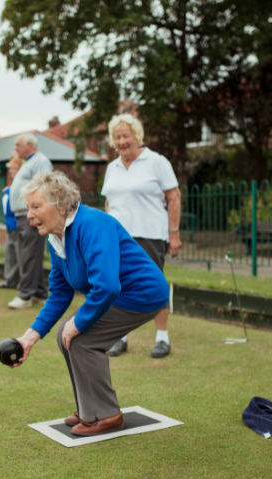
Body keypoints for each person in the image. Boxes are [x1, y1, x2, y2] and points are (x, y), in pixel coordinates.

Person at [11, 171, 169, 436]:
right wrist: (29, 338)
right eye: (28, 208)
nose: (29, 215)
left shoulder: (92, 223)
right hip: (119, 294)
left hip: (143, 294)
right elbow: (60, 294)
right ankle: (88, 408)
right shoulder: (57, 237)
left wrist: (80, 323)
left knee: (81, 338)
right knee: (65, 334)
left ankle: (105, 414)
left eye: (36, 207)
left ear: (61, 205)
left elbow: (107, 286)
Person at [101, 113, 181, 359]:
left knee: (154, 284)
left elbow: (174, 196)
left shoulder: (156, 161)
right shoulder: (111, 167)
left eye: (126, 136)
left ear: (137, 136)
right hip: (118, 237)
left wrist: (174, 233)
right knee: (118, 285)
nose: (122, 141)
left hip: (150, 235)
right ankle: (121, 337)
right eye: (117, 137)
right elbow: (108, 202)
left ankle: (162, 338)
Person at [7, 133, 53, 309]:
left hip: (30, 216)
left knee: (29, 255)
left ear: (29, 145)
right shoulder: (30, 162)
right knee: (28, 255)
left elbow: (45, 188)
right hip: (21, 215)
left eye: (18, 145)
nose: (16, 148)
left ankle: (25, 295)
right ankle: (40, 293)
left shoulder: (40, 161)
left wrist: (37, 215)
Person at [0, 156, 23, 289]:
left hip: (18, 224)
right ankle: (9, 281)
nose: (10, 171)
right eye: (10, 168)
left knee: (21, 254)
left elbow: (22, 195)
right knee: (10, 254)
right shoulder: (13, 183)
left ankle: (24, 283)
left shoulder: (21, 182)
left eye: (13, 168)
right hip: (9, 225)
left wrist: (7, 190)